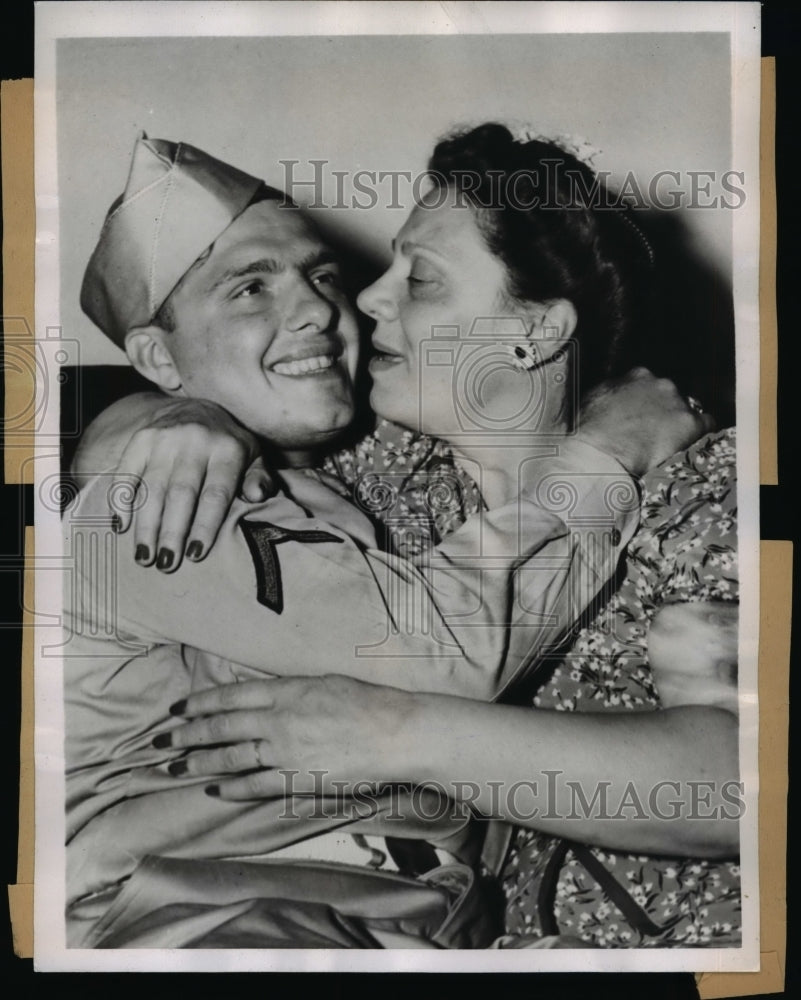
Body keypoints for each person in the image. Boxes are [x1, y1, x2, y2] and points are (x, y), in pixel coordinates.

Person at [117, 125, 741, 948]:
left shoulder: (699, 487)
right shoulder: (369, 489)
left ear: (539, 332)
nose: (365, 299)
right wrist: (168, 416)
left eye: (423, 281)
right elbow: (152, 455)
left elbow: (734, 789)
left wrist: (389, 729)